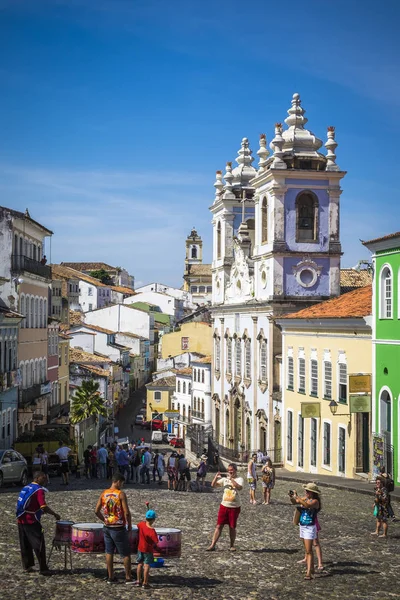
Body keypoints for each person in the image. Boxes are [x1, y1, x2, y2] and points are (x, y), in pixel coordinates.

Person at [16, 471, 60, 575]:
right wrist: (54, 514)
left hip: (21, 519)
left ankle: (27, 566)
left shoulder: (26, 487)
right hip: (31, 520)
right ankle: (43, 568)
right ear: (37, 478)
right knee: (39, 543)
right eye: (43, 478)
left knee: (25, 543)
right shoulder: (39, 490)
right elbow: (43, 506)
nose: (45, 480)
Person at [95, 473, 134, 584]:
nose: (122, 485)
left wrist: (105, 519)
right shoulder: (120, 494)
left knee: (109, 552)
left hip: (107, 527)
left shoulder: (104, 493)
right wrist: (129, 524)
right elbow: (126, 512)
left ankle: (111, 577)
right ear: (117, 481)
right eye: (122, 483)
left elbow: (96, 511)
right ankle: (128, 577)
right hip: (118, 527)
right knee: (125, 553)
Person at [207, 463, 243, 552]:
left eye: (231, 470)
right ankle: (212, 545)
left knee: (232, 527)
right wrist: (216, 477)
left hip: (234, 507)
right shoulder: (224, 480)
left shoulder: (239, 479)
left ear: (235, 470)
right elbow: (213, 485)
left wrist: (231, 479)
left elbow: (239, 487)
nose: (229, 472)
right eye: (228, 470)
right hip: (224, 505)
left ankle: (232, 545)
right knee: (219, 525)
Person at [289, 483, 321, 580]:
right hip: (302, 526)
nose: (306, 492)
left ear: (312, 493)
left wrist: (298, 497)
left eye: (307, 491)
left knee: (309, 550)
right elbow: (295, 502)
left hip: (310, 527)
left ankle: (308, 573)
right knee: (307, 550)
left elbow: (306, 506)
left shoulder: (315, 502)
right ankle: (311, 569)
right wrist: (292, 497)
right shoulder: (306, 499)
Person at [135, 509, 161, 589]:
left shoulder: (141, 524)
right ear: (153, 520)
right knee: (146, 565)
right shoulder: (152, 531)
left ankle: (138, 581)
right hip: (148, 550)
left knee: (139, 564)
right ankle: (145, 583)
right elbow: (156, 542)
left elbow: (138, 525)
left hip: (140, 548)